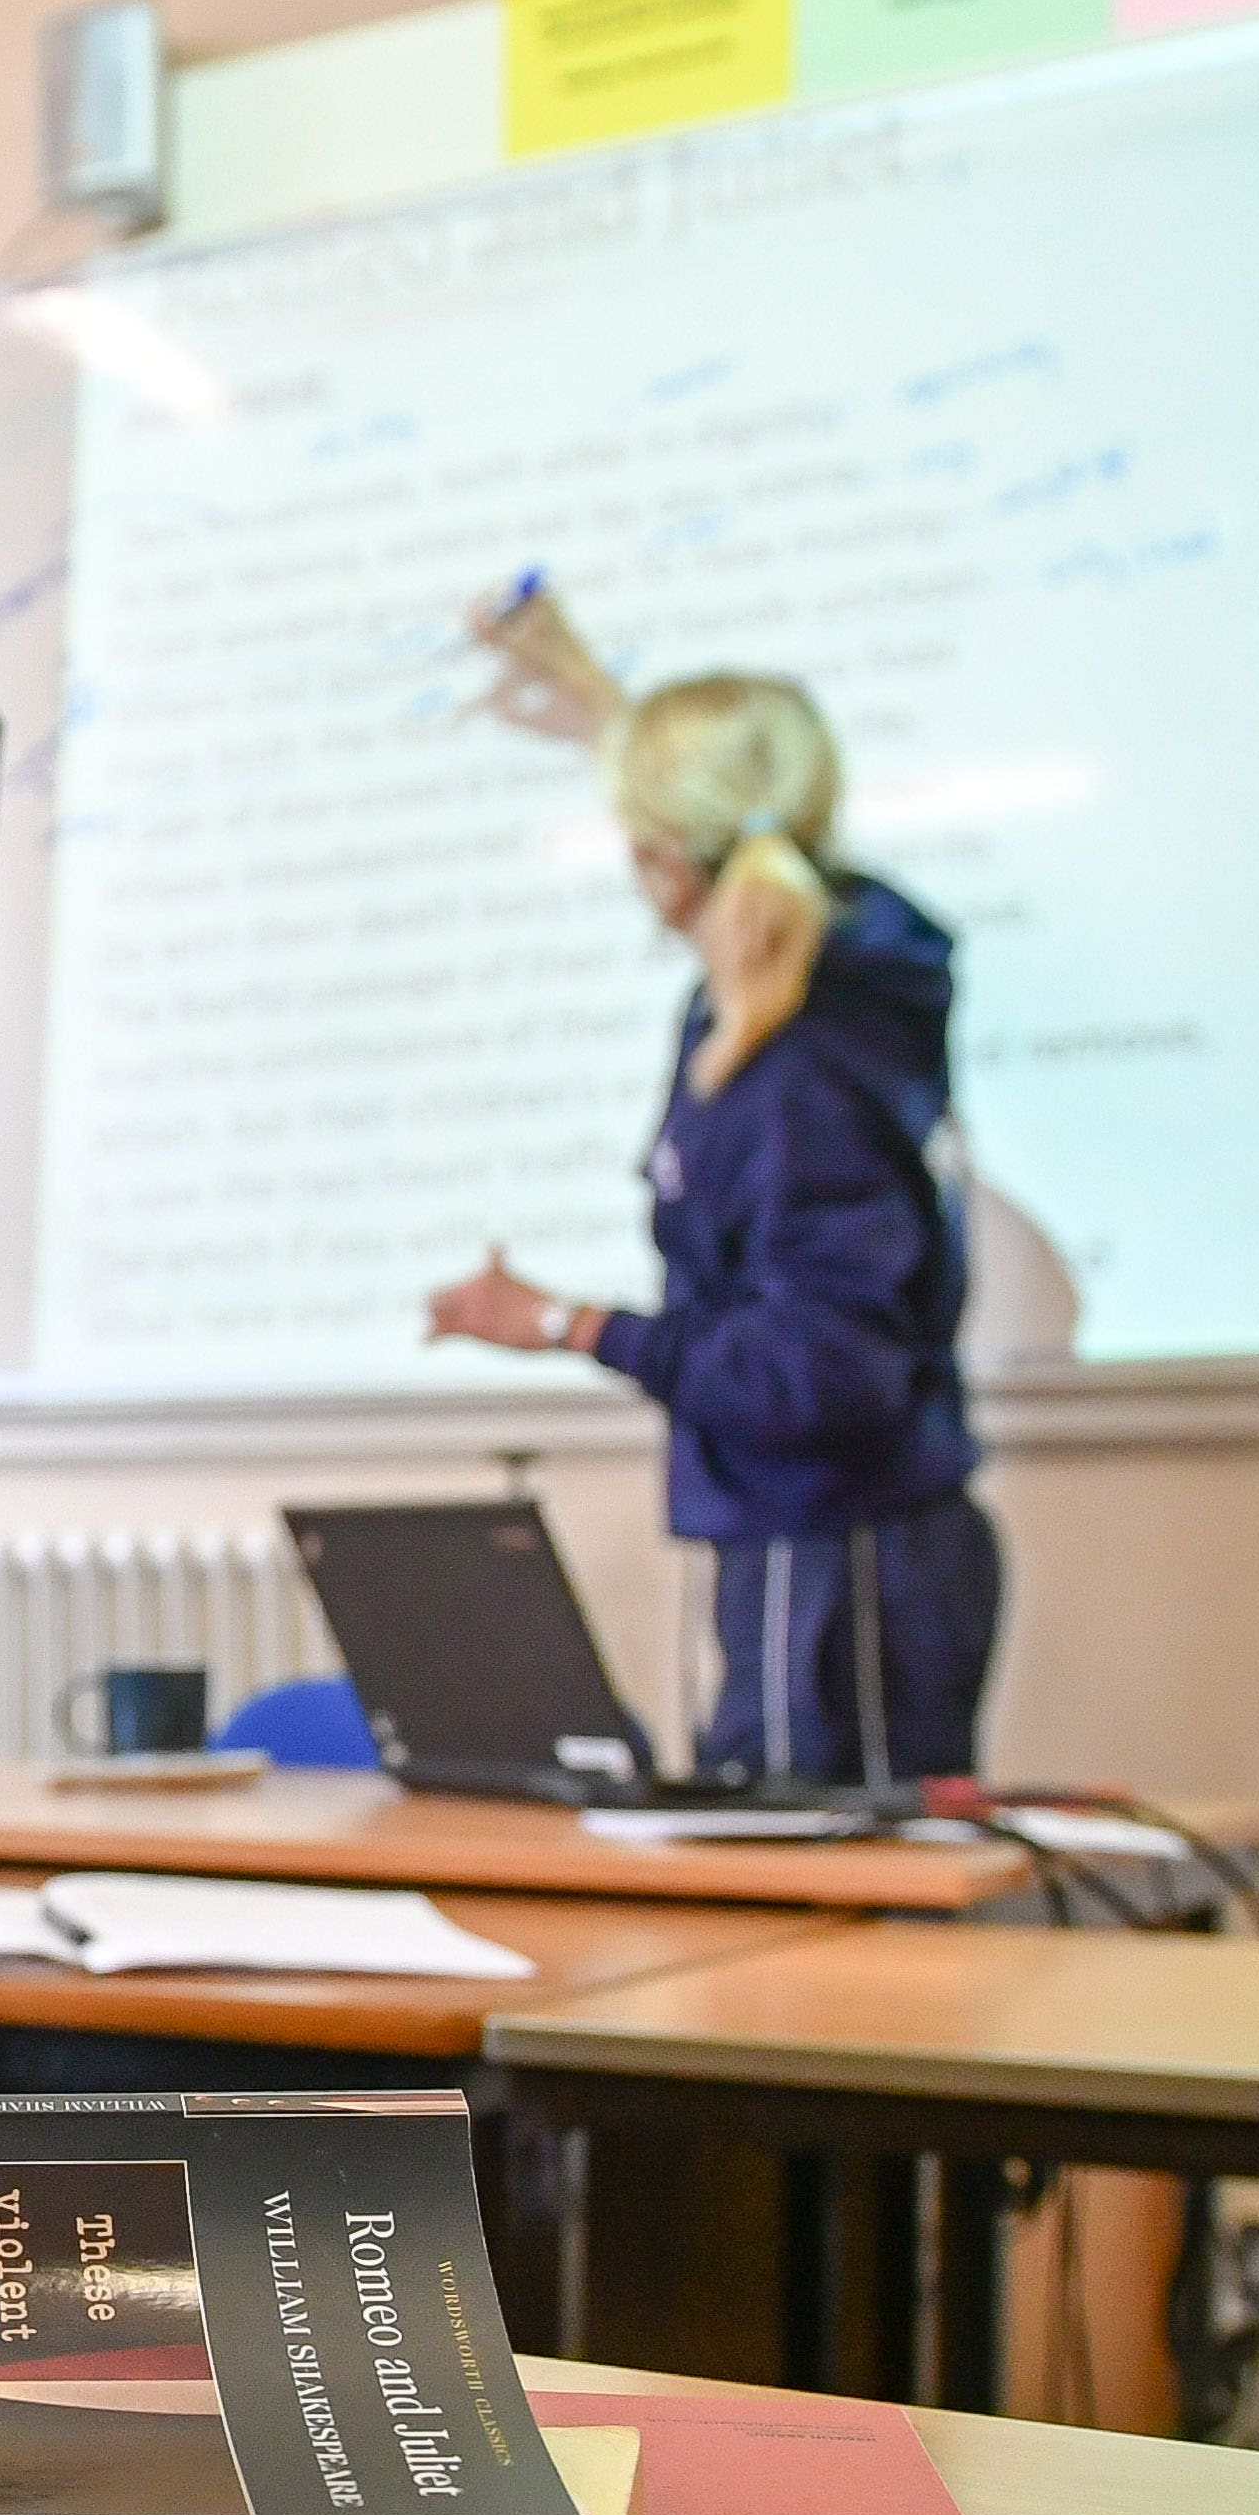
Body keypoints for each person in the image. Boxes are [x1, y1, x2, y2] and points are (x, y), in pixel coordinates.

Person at [424, 584, 999, 1784]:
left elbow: (817, 1370)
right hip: (825, 1542)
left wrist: (565, 1323)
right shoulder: (830, 990)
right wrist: (586, 690)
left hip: (836, 1559)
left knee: (823, 1936)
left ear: (662, 857)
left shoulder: (795, 1066)